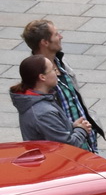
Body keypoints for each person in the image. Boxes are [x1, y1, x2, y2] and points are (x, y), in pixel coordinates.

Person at [20, 18, 101, 151]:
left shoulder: (61, 61)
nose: (61, 36)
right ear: (45, 42)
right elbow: (56, 135)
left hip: (83, 138)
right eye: (56, 34)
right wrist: (78, 132)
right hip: (70, 144)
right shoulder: (37, 76)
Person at [8, 55, 80, 144]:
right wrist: (81, 131)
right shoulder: (43, 112)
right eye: (53, 70)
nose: (56, 72)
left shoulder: (41, 99)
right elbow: (67, 145)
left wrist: (73, 126)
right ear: (42, 77)